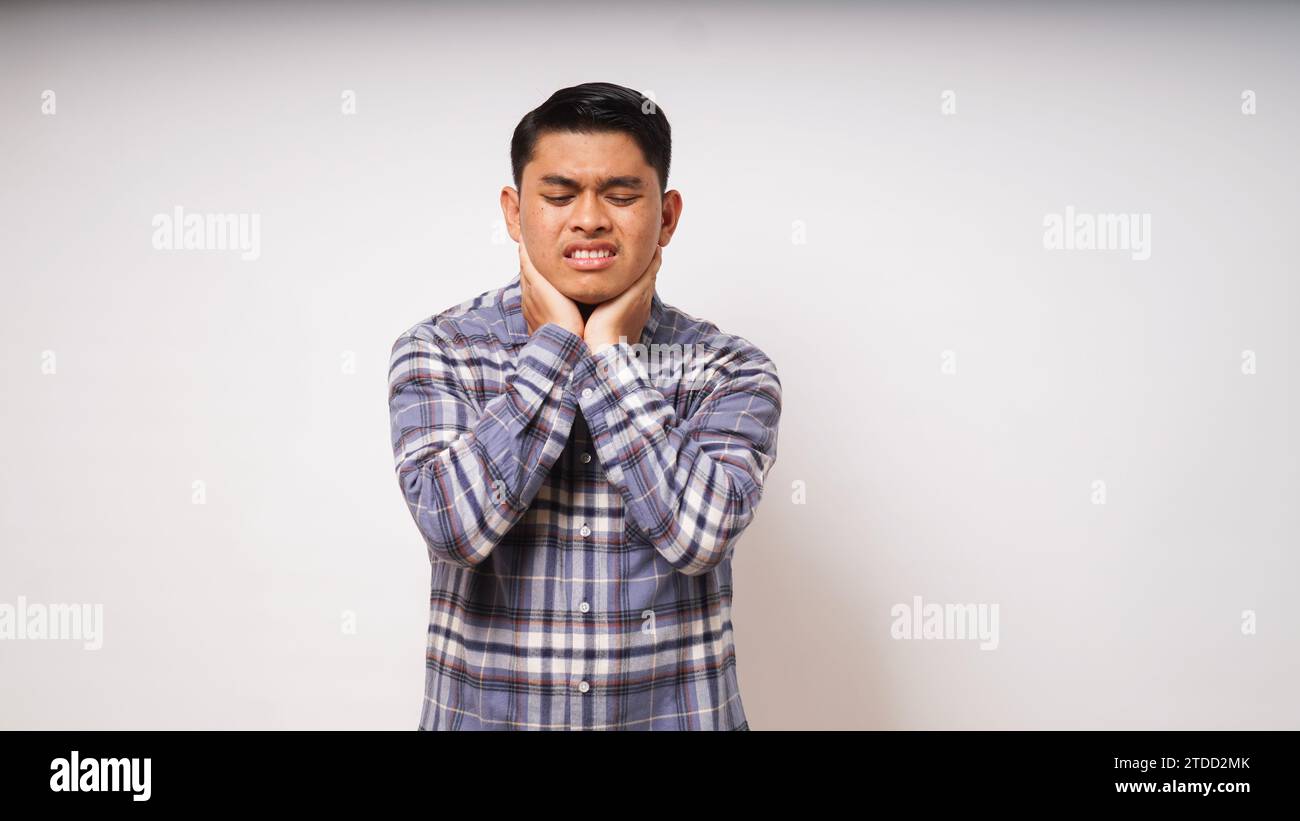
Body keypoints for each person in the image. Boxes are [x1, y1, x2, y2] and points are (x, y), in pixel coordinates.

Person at [387, 81, 782, 730]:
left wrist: (612, 359)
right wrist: (557, 350)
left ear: (668, 215)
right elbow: (454, 529)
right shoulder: (440, 350)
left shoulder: (729, 367)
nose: (591, 218)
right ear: (514, 213)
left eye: (622, 195)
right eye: (560, 194)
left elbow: (699, 535)